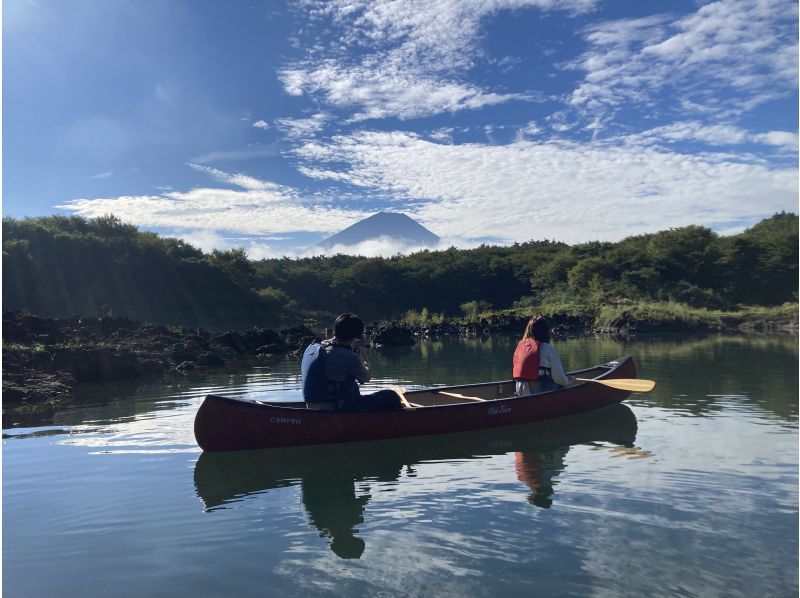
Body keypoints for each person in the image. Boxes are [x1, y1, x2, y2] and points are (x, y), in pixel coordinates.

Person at [301, 313, 404, 412]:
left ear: (335, 330)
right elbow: (366, 378)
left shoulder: (318, 346)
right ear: (356, 335)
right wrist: (366, 361)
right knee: (391, 396)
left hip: (312, 406)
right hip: (335, 407)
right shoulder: (349, 357)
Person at [512, 316, 575, 396]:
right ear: (545, 332)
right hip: (537, 390)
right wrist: (568, 381)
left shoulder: (521, 345)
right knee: (563, 385)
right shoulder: (547, 348)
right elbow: (559, 377)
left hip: (519, 389)